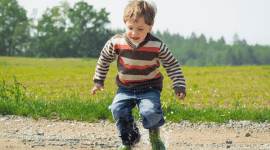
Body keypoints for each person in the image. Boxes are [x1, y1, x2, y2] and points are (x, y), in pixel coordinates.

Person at [91, 0, 186, 149]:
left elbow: (172, 64)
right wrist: (98, 81)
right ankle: (130, 139)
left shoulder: (157, 45)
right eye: (130, 28)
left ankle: (155, 138)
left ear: (150, 27)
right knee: (118, 109)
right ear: (125, 23)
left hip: (150, 88)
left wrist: (179, 85)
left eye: (140, 29)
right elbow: (104, 59)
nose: (134, 33)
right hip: (125, 88)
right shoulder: (117, 42)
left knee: (150, 111)